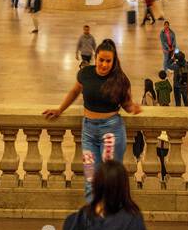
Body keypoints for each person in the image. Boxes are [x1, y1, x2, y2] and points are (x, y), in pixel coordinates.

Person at [43, 40, 141, 198]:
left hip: (111, 132)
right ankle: (94, 216)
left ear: (114, 61)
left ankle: (109, 218)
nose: (103, 64)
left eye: (108, 61)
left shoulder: (120, 79)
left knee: (109, 179)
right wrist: (60, 109)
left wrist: (134, 108)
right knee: (90, 178)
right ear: (95, 58)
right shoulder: (85, 73)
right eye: (101, 60)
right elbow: (74, 92)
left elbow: (127, 105)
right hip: (88, 132)